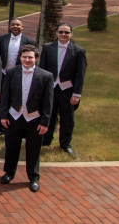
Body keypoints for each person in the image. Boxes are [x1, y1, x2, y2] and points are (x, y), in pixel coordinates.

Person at [0, 45, 54, 193]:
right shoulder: (11, 72)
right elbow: (5, 95)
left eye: (30, 57)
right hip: (14, 116)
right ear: (20, 58)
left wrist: (45, 122)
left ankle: (34, 177)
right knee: (11, 146)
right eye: (24, 57)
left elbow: (48, 102)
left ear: (36, 58)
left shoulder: (46, 76)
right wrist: (3, 116)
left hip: (34, 118)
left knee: (33, 149)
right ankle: (9, 172)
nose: (27, 60)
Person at [38, 23, 87, 156]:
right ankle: (46, 139)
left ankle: (65, 144)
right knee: (49, 115)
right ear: (57, 33)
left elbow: (80, 74)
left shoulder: (79, 51)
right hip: (51, 89)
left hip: (67, 90)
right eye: (61, 32)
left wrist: (76, 94)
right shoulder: (48, 48)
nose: (63, 35)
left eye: (66, 32)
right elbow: (42, 70)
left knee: (67, 118)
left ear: (71, 34)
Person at [0, 18, 36, 137]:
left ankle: (18, 127)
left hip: (20, 75)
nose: (15, 26)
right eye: (13, 25)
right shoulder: (2, 38)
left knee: (18, 100)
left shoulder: (30, 41)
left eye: (18, 24)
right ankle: (0, 127)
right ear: (9, 26)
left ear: (22, 27)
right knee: (3, 101)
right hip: (4, 74)